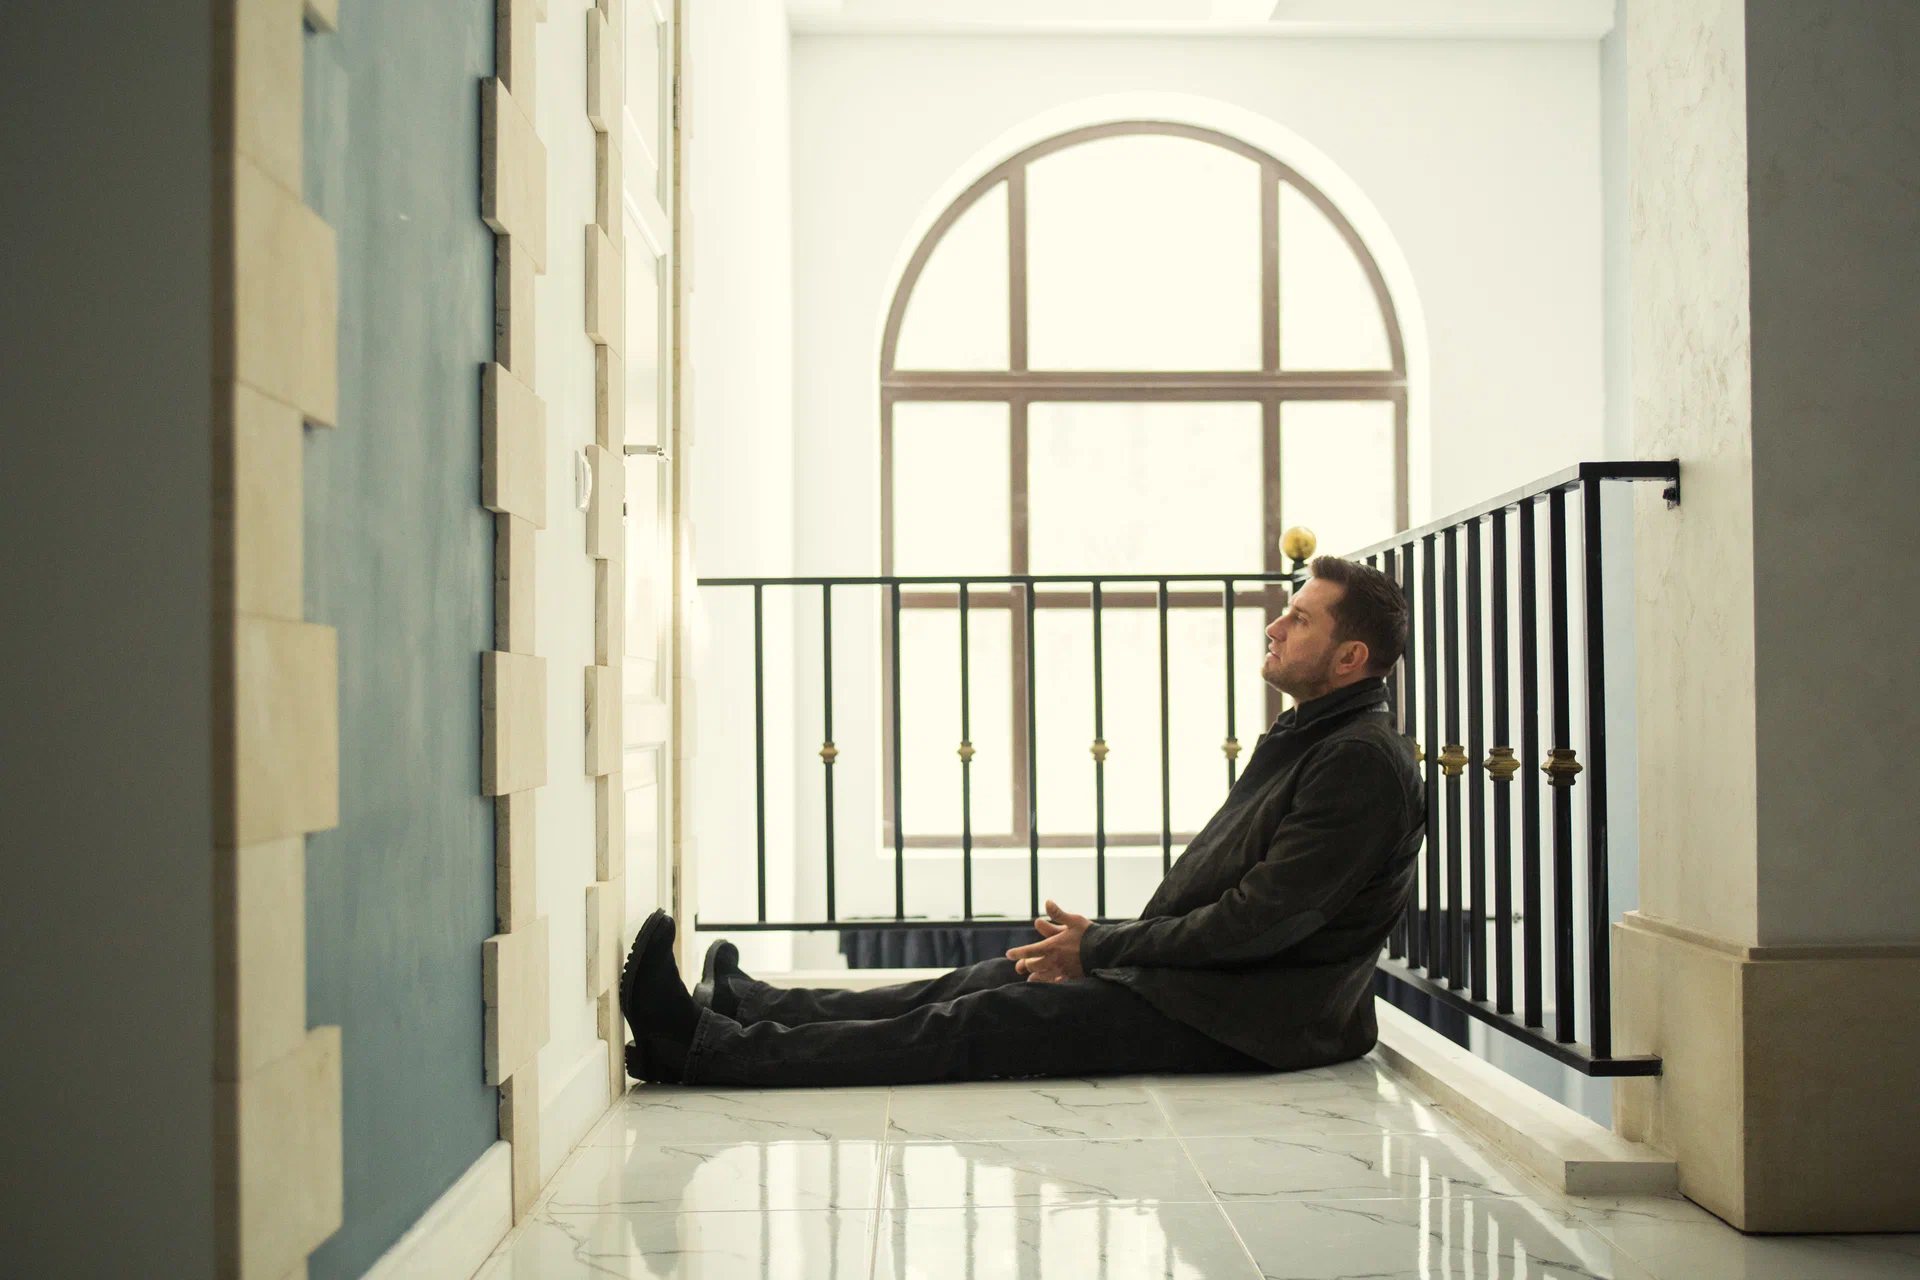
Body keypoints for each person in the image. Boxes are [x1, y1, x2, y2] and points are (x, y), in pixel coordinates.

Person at [620, 555, 1425, 1087]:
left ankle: (705, 1050)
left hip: (1253, 1019)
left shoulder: (1359, 762)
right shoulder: (1318, 736)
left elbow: (1260, 923)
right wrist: (1101, 943)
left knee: (983, 1020)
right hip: (1211, 989)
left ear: (1350, 658)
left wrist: (1101, 947)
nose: (1274, 626)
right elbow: (1239, 905)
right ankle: (751, 1004)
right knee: (987, 978)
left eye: (1301, 619)